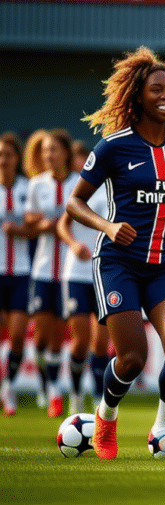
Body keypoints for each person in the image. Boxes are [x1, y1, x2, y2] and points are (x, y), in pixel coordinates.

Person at [66, 46, 165, 460]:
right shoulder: (113, 146)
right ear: (137, 97)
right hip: (117, 263)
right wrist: (108, 226)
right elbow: (75, 202)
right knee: (132, 358)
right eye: (158, 90)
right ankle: (105, 419)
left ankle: (163, 427)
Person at [25, 128, 77, 418]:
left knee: (58, 337)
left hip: (69, 271)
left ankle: (55, 390)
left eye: (53, 149)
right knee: (41, 337)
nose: (48, 155)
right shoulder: (37, 185)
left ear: (65, 153)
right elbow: (29, 220)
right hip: (42, 270)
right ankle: (45, 382)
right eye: (45, 150)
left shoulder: (78, 183)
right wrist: (46, 224)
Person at [56, 175, 110, 414]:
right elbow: (62, 224)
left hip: (105, 275)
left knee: (101, 344)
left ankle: (99, 397)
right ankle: (76, 394)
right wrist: (74, 244)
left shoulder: (121, 192)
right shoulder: (84, 191)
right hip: (77, 274)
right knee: (80, 342)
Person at [0, 132, 33, 415]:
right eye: (0, 154)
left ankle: (8, 385)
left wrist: (20, 230)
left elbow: (38, 227)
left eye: (8, 155)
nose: (3, 160)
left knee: (19, 336)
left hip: (21, 272)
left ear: (17, 158)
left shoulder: (27, 188)